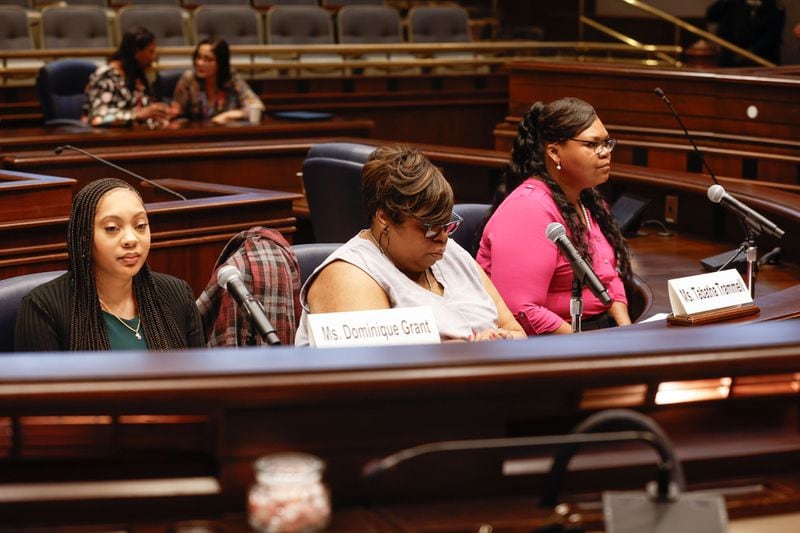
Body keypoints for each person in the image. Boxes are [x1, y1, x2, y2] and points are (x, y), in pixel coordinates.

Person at [295, 145, 525, 345]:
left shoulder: (452, 252)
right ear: (384, 217)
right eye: (430, 226)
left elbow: (517, 333)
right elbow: (374, 377)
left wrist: (501, 339)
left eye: (447, 224)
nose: (443, 237)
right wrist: (465, 352)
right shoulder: (348, 275)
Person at [476, 97, 632, 335]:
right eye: (592, 145)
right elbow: (521, 309)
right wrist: (585, 345)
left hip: (596, 334)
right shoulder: (527, 209)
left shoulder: (588, 199)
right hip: (553, 343)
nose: (604, 153)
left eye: (606, 143)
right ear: (554, 152)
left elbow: (609, 277)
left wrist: (627, 332)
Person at [15, 178, 204, 351]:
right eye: (112, 228)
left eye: (140, 226)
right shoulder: (44, 308)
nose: (131, 240)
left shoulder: (177, 295)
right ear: (84, 238)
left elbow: (202, 383)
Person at [83, 26, 172, 127]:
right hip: (113, 138)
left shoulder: (136, 74)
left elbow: (143, 108)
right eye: (150, 52)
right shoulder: (106, 76)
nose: (154, 57)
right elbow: (98, 118)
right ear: (136, 52)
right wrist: (136, 115)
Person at [170, 38, 264, 125]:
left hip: (225, 136)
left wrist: (227, 115)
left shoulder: (231, 79)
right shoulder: (189, 79)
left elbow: (256, 106)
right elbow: (176, 112)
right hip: (194, 135)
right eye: (198, 57)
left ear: (221, 62)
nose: (200, 63)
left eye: (208, 59)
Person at [706, 0, 786, 66]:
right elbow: (711, 16)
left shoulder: (774, 5)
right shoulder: (732, 3)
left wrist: (750, 53)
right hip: (730, 60)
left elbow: (772, 36)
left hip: (762, 61)